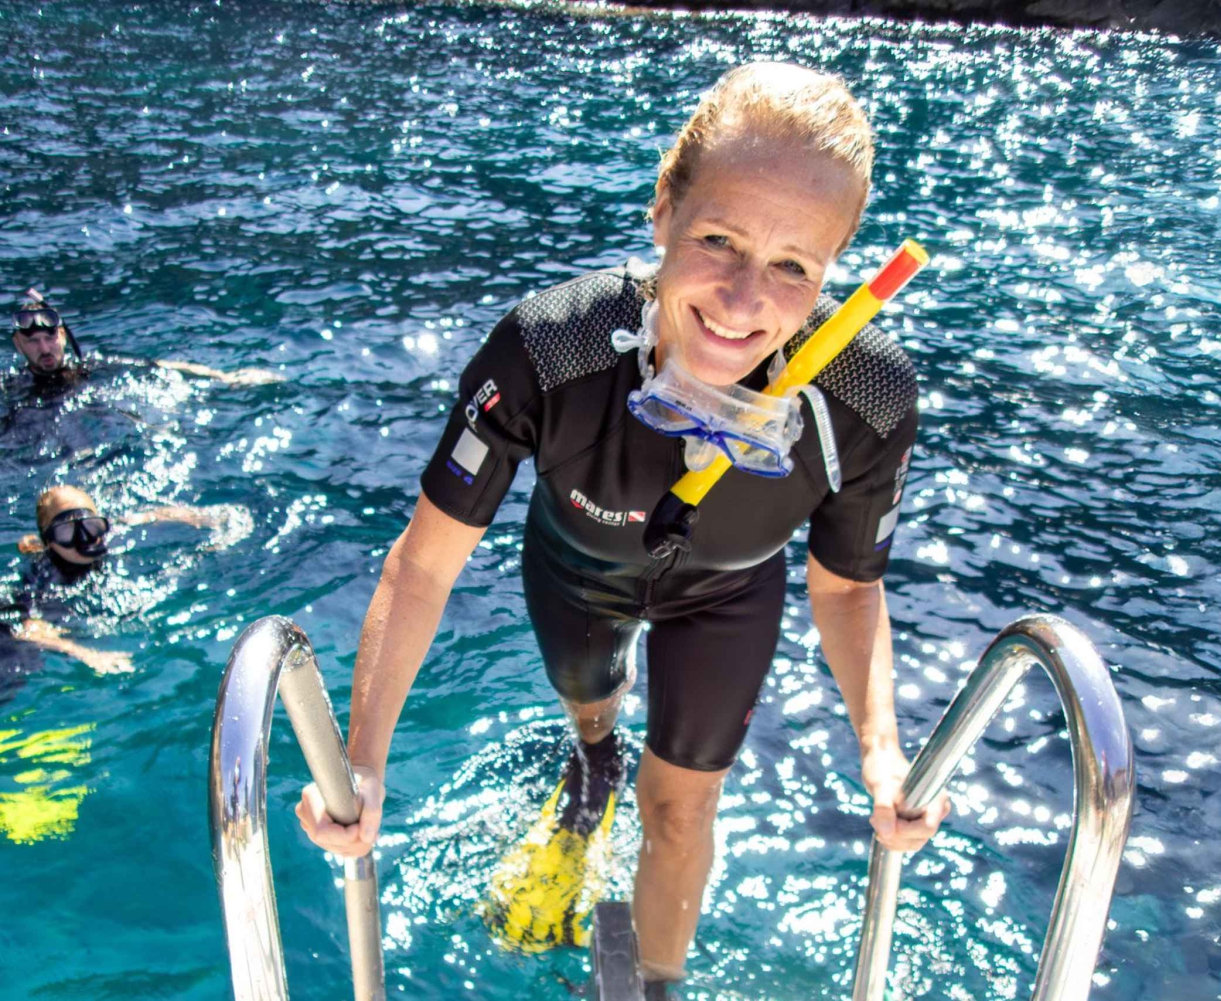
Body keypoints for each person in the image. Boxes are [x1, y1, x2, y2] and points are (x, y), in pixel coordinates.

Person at [296, 62, 948, 989]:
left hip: (729, 592)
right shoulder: (551, 348)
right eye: (719, 239)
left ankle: (652, 985)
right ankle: (591, 762)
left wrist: (882, 751)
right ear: (662, 213)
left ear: (834, 269)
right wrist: (363, 761)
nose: (742, 297)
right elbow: (423, 569)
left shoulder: (865, 396)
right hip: (578, 573)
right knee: (594, 713)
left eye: (794, 265)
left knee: (681, 809)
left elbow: (846, 587)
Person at [4, 484, 251, 675]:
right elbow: (27, 629)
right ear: (48, 541)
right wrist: (86, 654)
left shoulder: (116, 536)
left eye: (90, 526)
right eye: (67, 532)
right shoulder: (41, 576)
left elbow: (154, 515)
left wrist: (213, 520)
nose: (84, 539)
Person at [10, 289, 278, 392]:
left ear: (63, 336)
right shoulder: (10, 388)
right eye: (33, 342)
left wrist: (223, 376)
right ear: (18, 345)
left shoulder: (92, 368)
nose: (44, 348)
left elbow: (158, 365)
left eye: (49, 338)